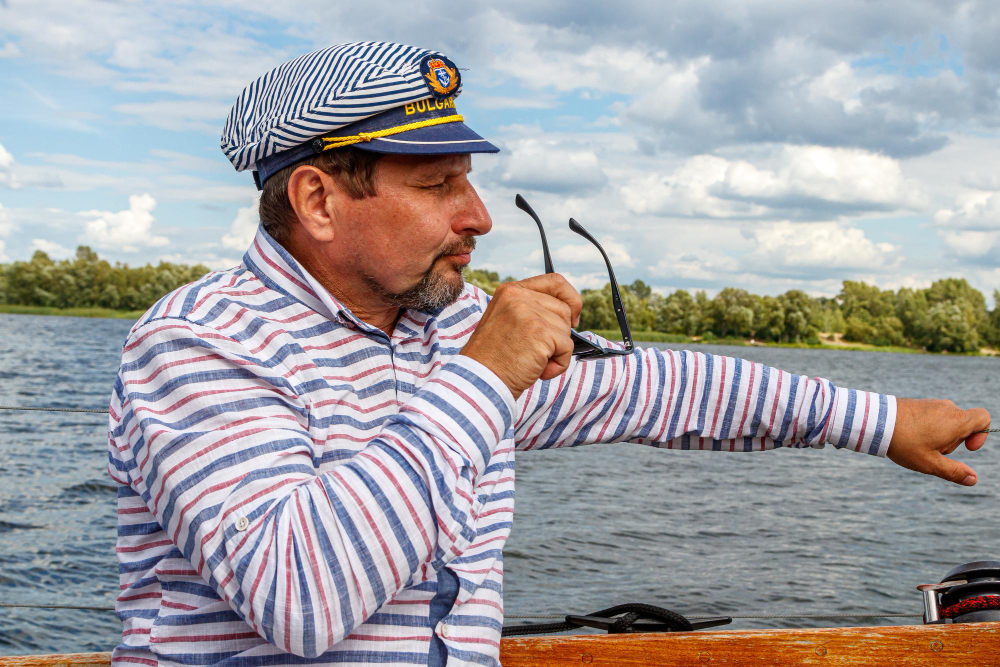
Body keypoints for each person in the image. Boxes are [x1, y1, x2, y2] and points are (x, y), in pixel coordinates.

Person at [107, 41, 990, 667]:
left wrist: (882, 422)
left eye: (470, 178)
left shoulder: (447, 331)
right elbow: (299, 596)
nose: (479, 215)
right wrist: (485, 375)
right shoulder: (197, 344)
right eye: (438, 184)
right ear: (319, 199)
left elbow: (664, 390)